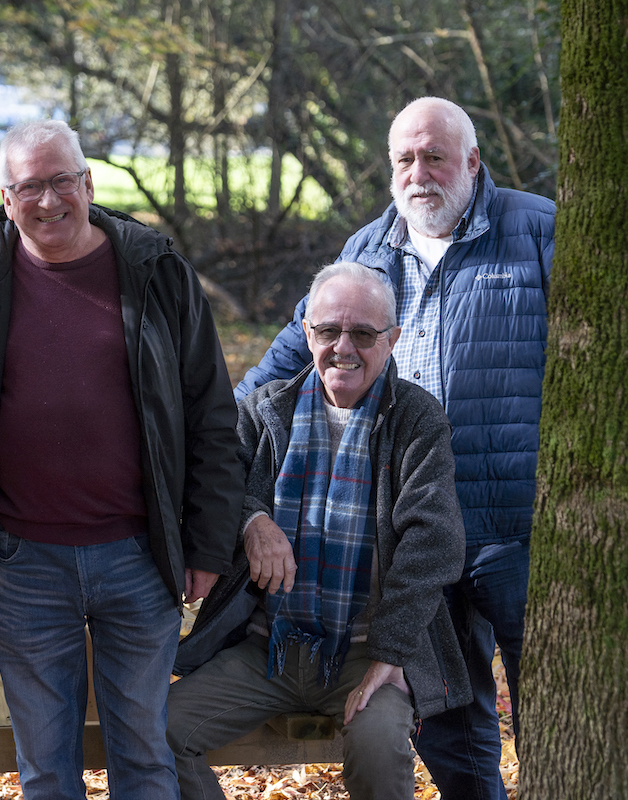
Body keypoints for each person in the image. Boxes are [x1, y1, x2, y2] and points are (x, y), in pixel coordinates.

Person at [0, 119, 244, 799]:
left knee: (144, 758)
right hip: (22, 561)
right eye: (29, 186)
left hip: (142, 557)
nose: (48, 199)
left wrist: (208, 543)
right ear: (6, 198)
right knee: (45, 768)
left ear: (88, 182)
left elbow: (211, 412)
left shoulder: (157, 272)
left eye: (62, 180)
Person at [234, 97, 555, 799]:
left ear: (472, 161)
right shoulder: (367, 251)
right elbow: (288, 361)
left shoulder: (535, 231)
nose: (420, 174)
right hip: (411, 535)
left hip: (516, 529)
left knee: (555, 714)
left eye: (435, 156)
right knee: (449, 721)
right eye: (405, 159)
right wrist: (206, 444)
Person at [168, 262, 470, 800]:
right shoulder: (265, 411)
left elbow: (435, 541)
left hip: (364, 654)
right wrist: (253, 520)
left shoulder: (418, 421)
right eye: (328, 331)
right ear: (307, 332)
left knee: (379, 750)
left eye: (363, 333)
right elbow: (214, 487)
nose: (343, 347)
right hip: (267, 650)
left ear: (392, 339)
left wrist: (392, 653)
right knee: (158, 733)